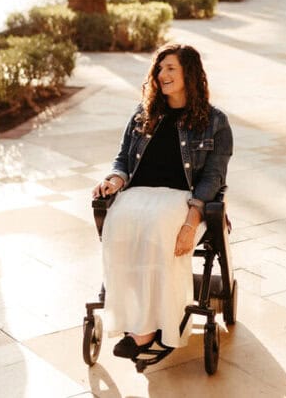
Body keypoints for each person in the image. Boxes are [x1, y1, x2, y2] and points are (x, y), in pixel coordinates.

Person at [92, 42, 233, 363]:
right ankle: (133, 319)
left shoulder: (215, 122)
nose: (162, 74)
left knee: (157, 230)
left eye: (171, 68)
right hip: (138, 193)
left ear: (190, 74)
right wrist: (113, 180)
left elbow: (213, 177)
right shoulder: (144, 114)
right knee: (120, 226)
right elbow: (122, 160)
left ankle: (151, 329)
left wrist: (191, 222)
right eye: (159, 68)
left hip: (183, 198)